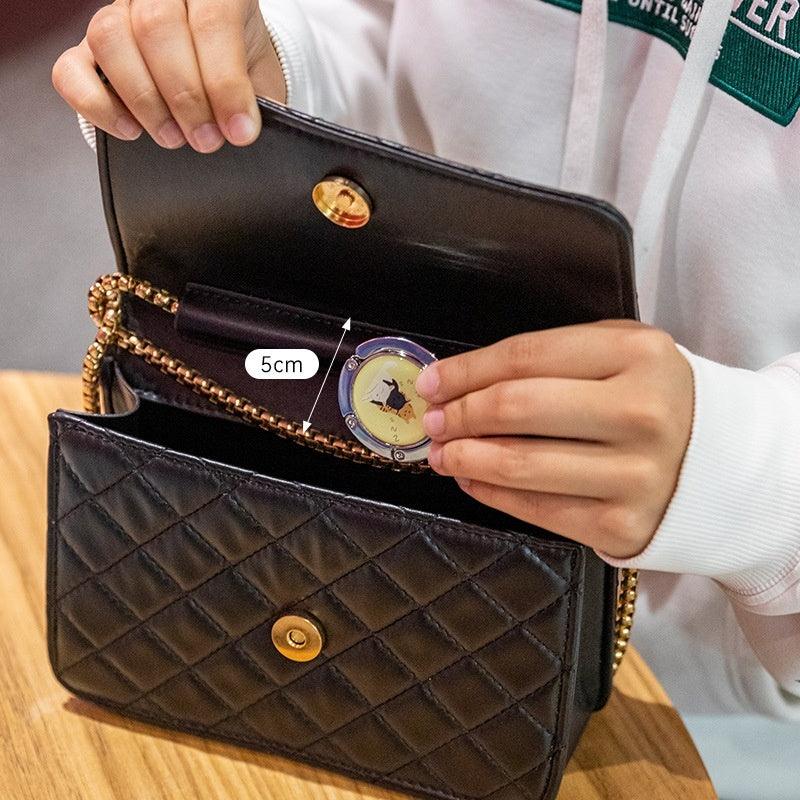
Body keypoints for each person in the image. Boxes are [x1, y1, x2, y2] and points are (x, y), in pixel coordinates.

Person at [52, 0, 800, 790]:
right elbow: (383, 29)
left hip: (715, 734)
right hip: (326, 581)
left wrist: (737, 471)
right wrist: (274, 66)